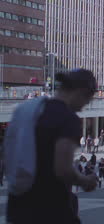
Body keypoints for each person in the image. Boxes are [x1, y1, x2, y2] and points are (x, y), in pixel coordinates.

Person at [5, 69, 98, 223]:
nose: (84, 106)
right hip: (50, 209)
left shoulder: (29, 110)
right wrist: (85, 181)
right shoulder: (67, 118)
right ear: (81, 92)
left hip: (18, 205)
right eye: (88, 100)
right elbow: (63, 169)